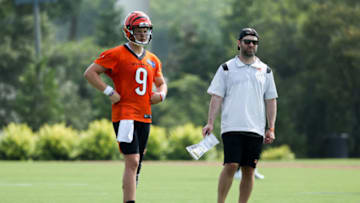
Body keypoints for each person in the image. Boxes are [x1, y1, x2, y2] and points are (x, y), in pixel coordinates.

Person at [84, 11, 167, 203]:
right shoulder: (116, 54)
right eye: (139, 30)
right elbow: (90, 73)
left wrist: (161, 95)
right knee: (132, 160)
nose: (143, 34)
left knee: (138, 164)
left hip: (145, 115)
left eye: (145, 30)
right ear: (129, 31)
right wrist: (109, 92)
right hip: (125, 115)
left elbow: (161, 83)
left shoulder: (153, 59)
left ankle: (128, 196)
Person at [202, 28, 278, 203]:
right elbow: (216, 96)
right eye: (247, 41)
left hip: (256, 128)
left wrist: (271, 127)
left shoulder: (265, 70)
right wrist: (210, 123)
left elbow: (271, 99)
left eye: (254, 42)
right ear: (239, 43)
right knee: (231, 165)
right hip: (232, 126)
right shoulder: (227, 68)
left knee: (249, 169)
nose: (251, 44)